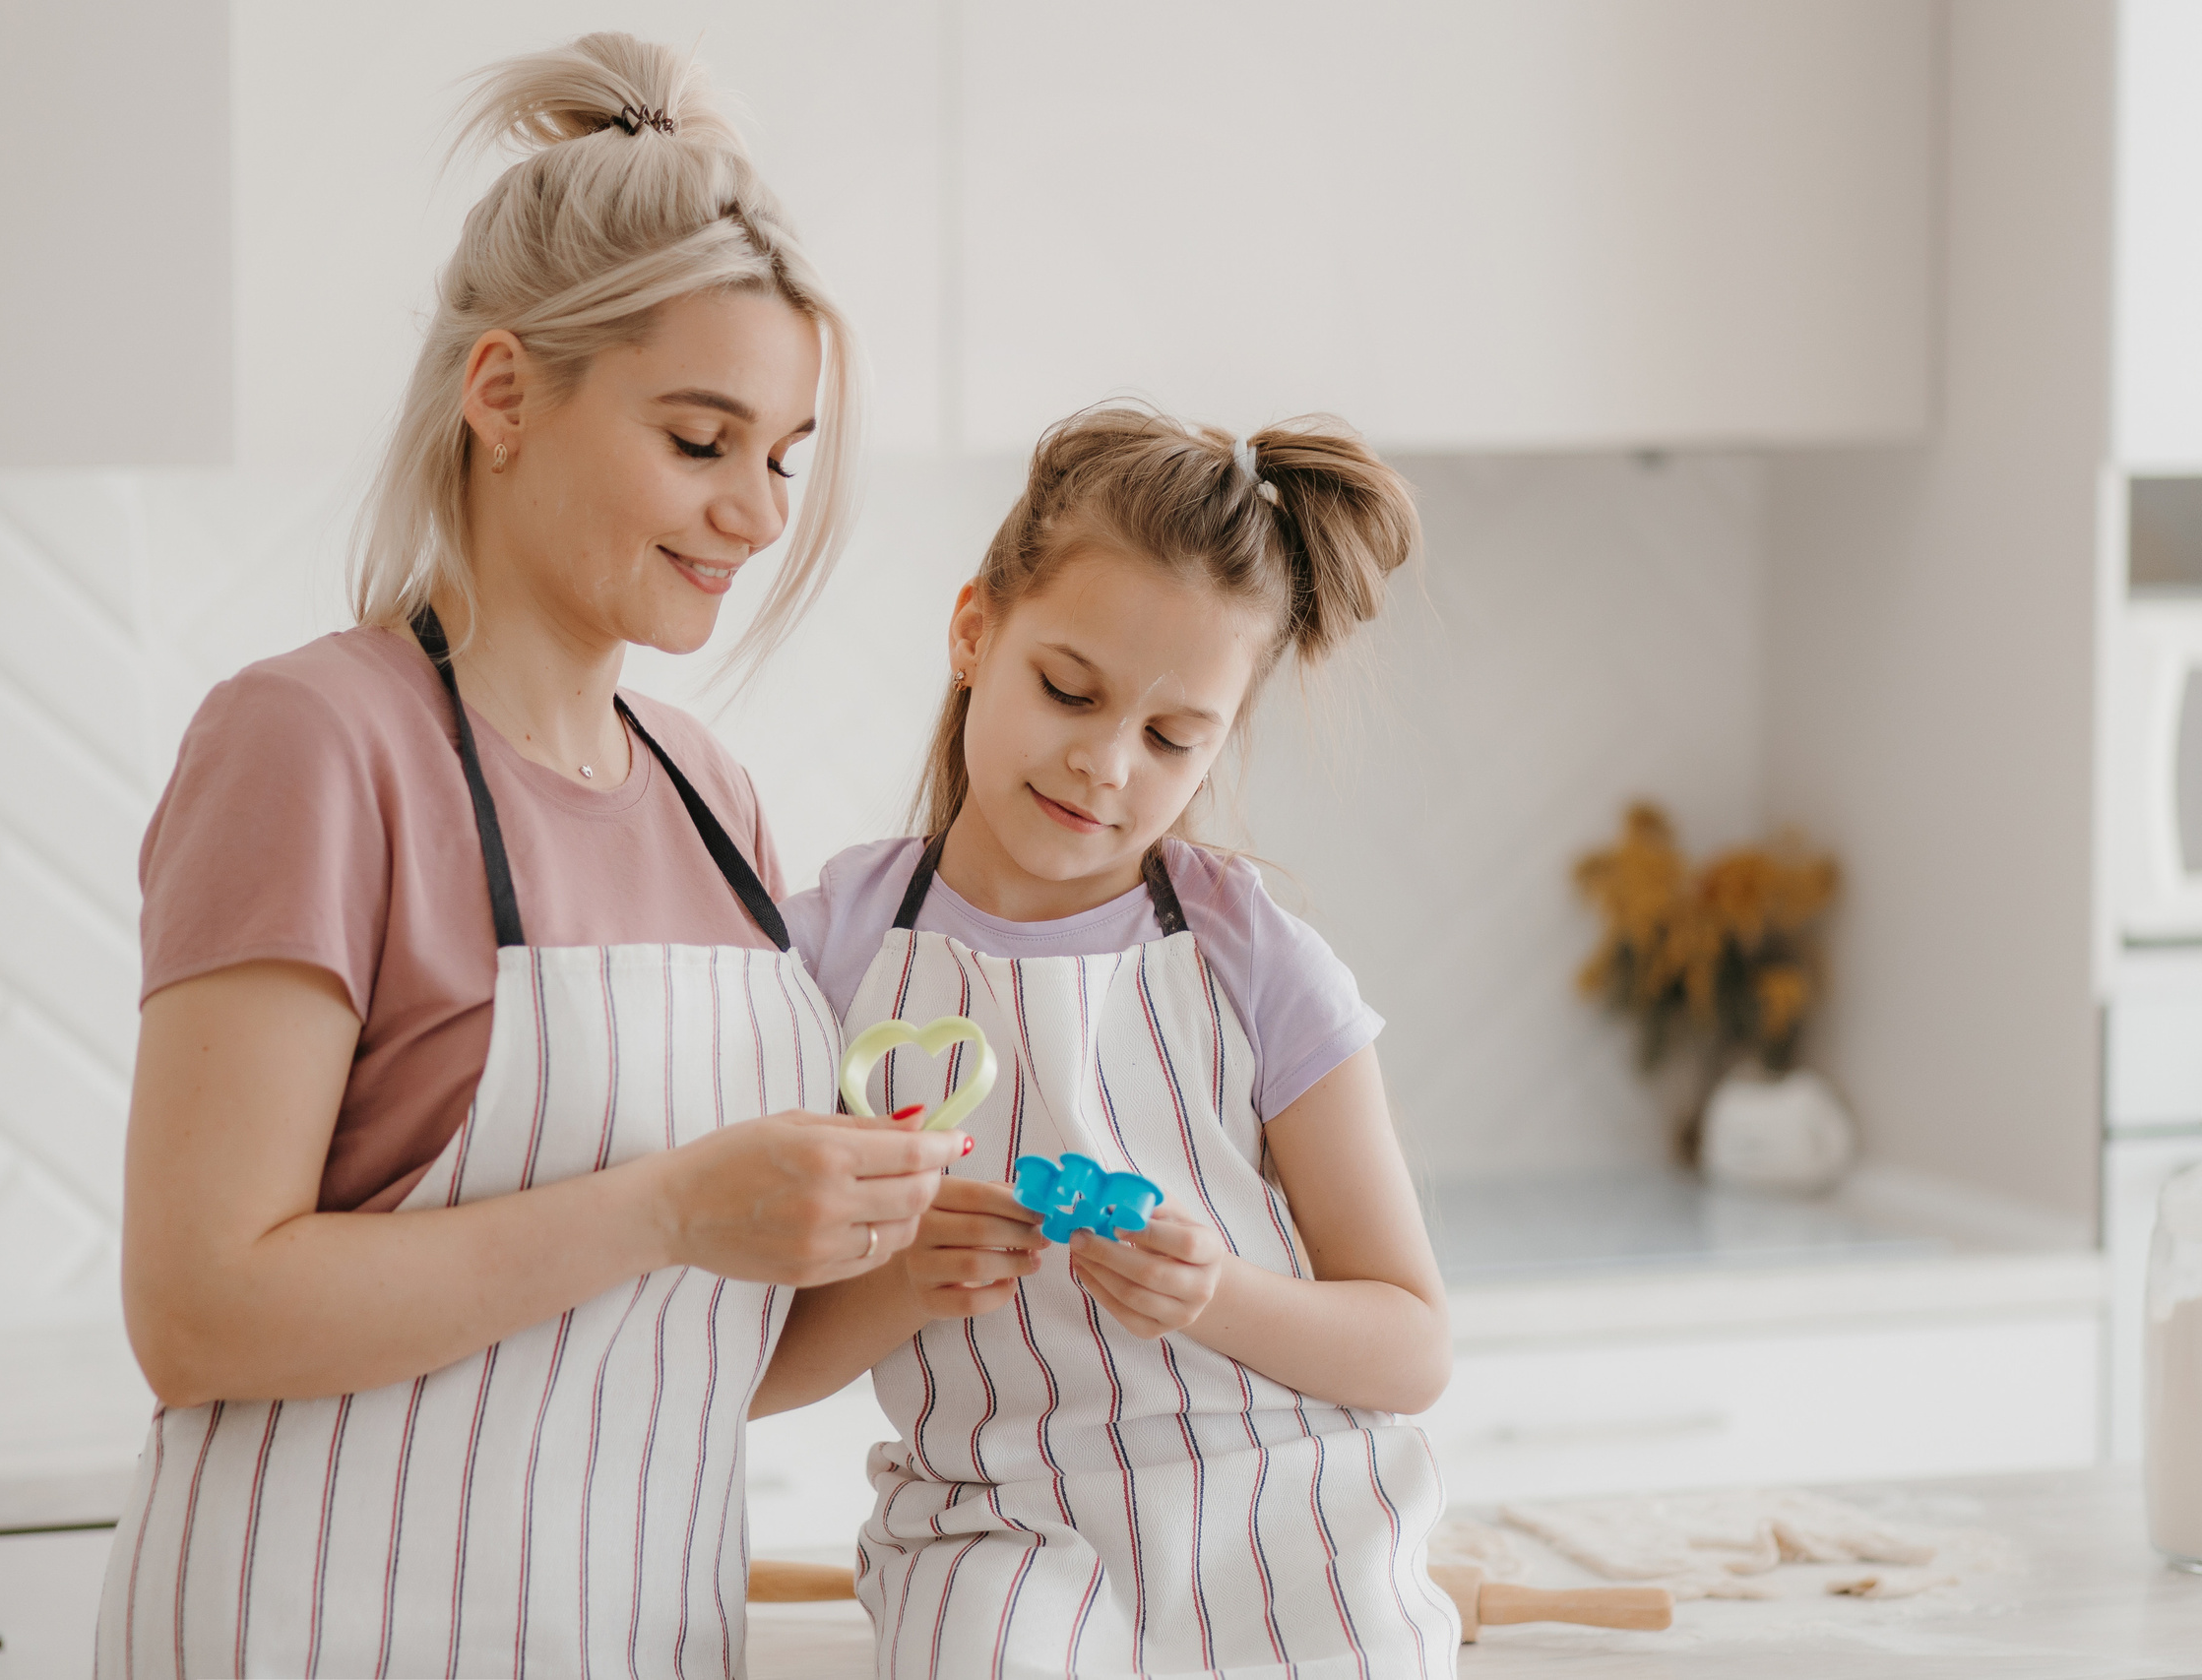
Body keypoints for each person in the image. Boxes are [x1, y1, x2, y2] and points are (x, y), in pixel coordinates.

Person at [95, 34, 961, 1678]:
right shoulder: (314, 744)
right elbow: (201, 1309)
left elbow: (679, 1349)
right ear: (503, 394)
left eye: (781, 456)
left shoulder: (711, 793)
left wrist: (916, 1266)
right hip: (318, 1637)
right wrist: (676, 1207)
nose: (760, 515)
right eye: (701, 442)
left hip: (635, 1633)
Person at [759, 404, 1461, 1678]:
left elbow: (1411, 1347)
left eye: (1172, 737)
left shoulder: (1256, 961)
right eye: (1067, 691)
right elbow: (740, 1370)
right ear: (976, 631)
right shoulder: (827, 960)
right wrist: (901, 1281)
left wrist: (1215, 1296)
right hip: (995, 1526)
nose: (1103, 763)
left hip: (1279, 1507)